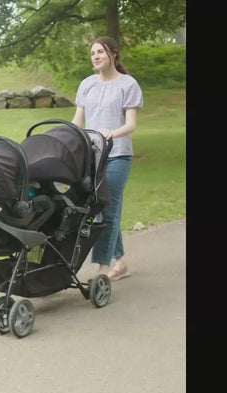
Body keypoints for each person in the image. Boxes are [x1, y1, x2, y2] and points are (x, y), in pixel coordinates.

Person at [71, 36, 143, 281]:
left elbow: (131, 124)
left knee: (105, 209)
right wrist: (67, 140)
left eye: (100, 51)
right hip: (93, 157)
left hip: (118, 154)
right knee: (104, 208)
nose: (96, 56)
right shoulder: (87, 84)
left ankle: (102, 269)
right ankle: (120, 262)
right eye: (92, 53)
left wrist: (112, 132)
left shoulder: (128, 84)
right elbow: (77, 122)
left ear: (113, 53)